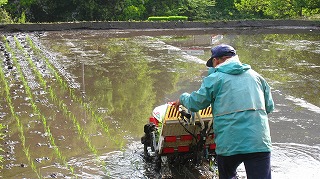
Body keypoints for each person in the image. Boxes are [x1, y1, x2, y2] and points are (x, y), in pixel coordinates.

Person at [173, 44, 274, 179]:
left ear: (216, 60)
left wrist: (182, 98)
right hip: (258, 141)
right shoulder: (257, 77)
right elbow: (269, 107)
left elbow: (196, 102)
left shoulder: (216, 78)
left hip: (229, 142)